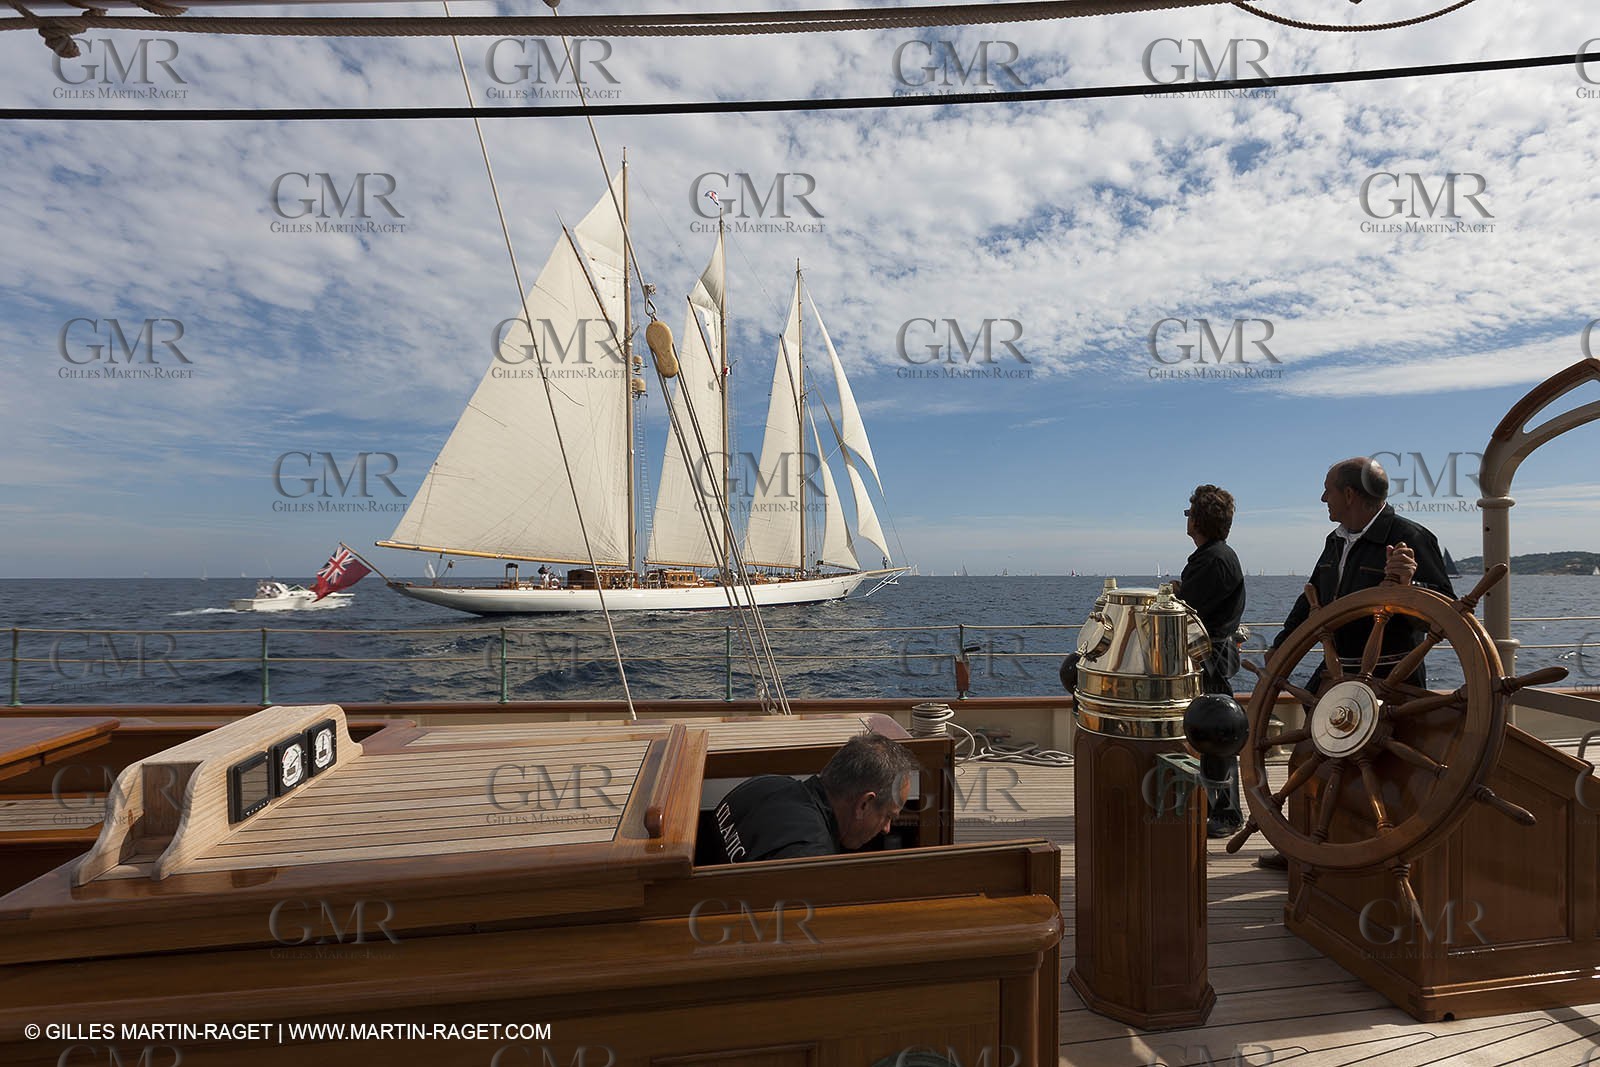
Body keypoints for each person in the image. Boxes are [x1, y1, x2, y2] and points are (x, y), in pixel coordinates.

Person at [1257, 456, 1455, 869]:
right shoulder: (1336, 541)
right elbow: (1313, 597)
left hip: (1390, 678)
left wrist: (1410, 585)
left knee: (1385, 770)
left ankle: (1378, 850)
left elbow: (1449, 608)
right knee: (1309, 751)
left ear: (1349, 494)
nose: (1322, 497)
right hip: (1337, 670)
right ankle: (1302, 844)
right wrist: (1282, 643)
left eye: (1327, 489)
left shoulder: (1410, 537)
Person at [707, 732, 919, 863]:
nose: (887, 829)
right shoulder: (811, 857)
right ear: (864, 804)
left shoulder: (764, 783)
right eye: (888, 816)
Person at [1173, 484, 1247, 838]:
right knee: (1213, 732)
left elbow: (1189, 611)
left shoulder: (1213, 560)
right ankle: (1218, 806)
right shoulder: (1215, 557)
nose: (1187, 520)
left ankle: (1227, 814)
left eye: (1189, 514)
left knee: (1216, 733)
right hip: (1215, 654)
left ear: (1198, 521)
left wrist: (1175, 596)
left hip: (1210, 658)